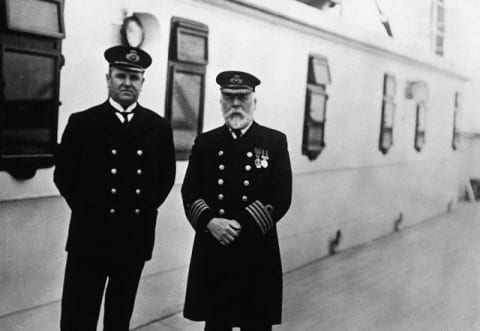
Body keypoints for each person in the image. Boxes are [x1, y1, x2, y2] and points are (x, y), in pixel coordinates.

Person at [53, 45, 176, 331]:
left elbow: (165, 179)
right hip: (90, 237)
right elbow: (64, 176)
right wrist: (89, 210)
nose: (127, 83)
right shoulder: (83, 122)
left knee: (119, 318)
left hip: (133, 237)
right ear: (108, 79)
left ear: (143, 83)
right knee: (78, 315)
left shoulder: (158, 128)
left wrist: (140, 210)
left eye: (134, 78)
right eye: (121, 76)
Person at [181, 70, 292, 330]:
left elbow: (281, 194)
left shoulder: (273, 142)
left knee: (256, 323)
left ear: (255, 102)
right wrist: (211, 222)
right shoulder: (206, 143)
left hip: (256, 253)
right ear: (220, 102)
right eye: (228, 98)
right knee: (216, 323)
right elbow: (190, 191)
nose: (235, 105)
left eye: (242, 97)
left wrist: (240, 224)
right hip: (214, 252)